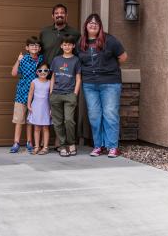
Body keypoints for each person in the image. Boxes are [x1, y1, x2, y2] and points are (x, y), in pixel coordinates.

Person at [78, 13, 128, 158]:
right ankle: (98, 146)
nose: (93, 24)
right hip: (89, 84)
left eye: (96, 23)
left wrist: (108, 68)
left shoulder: (110, 40)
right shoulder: (81, 42)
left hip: (110, 84)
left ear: (100, 26)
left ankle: (112, 147)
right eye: (90, 22)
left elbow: (123, 57)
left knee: (110, 114)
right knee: (94, 116)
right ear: (86, 25)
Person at [49, 34, 82, 157]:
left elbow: (78, 78)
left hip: (69, 94)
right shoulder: (56, 60)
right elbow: (52, 77)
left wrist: (75, 94)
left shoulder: (76, 60)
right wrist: (51, 92)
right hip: (56, 94)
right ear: (61, 46)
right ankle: (62, 145)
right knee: (57, 122)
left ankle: (71, 143)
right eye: (64, 44)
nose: (67, 46)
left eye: (69, 44)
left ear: (73, 46)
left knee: (68, 120)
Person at [9, 36, 43, 153]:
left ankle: (29, 142)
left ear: (39, 48)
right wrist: (18, 60)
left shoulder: (41, 60)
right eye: (32, 45)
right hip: (22, 93)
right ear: (27, 47)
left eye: (36, 45)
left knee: (30, 120)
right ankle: (16, 142)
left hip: (36, 95)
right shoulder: (23, 59)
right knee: (19, 119)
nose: (34, 47)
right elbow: (13, 73)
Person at [26, 62, 53, 155]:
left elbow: (51, 96)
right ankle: (37, 146)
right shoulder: (34, 82)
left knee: (46, 127)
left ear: (49, 72)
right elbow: (30, 94)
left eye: (45, 70)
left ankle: (45, 147)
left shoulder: (50, 83)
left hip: (46, 107)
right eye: (40, 70)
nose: (43, 72)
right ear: (37, 72)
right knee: (36, 128)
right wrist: (29, 105)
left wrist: (51, 109)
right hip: (36, 107)